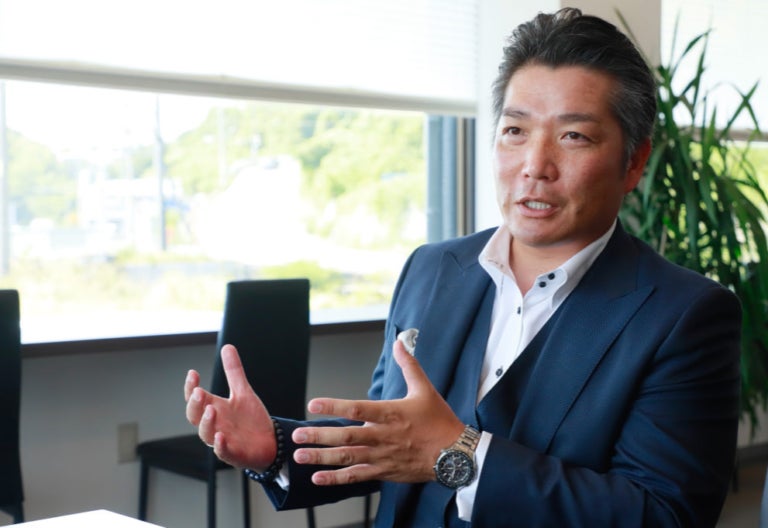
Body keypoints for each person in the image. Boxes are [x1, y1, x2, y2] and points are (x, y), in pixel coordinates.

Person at [184, 8, 742, 527]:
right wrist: (278, 447)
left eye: (573, 136)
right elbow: (393, 436)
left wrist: (460, 456)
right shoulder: (432, 268)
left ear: (634, 162)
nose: (534, 166)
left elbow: (663, 515)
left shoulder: (685, 315)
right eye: (515, 130)